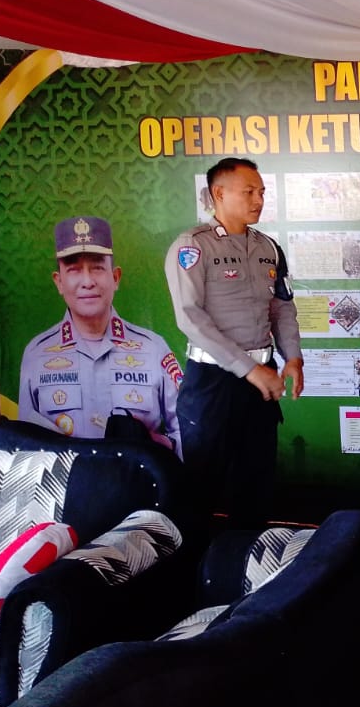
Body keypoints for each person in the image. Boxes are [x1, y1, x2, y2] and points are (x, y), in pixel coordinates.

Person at [165, 157, 303, 530]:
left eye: (262, 192)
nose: (259, 200)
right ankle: (193, 560)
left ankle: (247, 555)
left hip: (261, 381)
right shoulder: (193, 246)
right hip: (213, 382)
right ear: (219, 193)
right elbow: (190, 317)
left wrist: (293, 358)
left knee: (256, 481)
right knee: (202, 485)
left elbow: (282, 308)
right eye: (249, 192)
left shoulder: (268, 247)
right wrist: (248, 369)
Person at [19, 216, 182, 451]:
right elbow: (27, 445)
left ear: (115, 278)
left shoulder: (154, 349)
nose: (87, 282)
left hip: (135, 475)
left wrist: (159, 446)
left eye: (97, 268)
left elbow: (186, 433)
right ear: (59, 282)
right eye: (74, 270)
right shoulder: (36, 355)